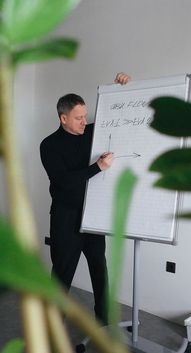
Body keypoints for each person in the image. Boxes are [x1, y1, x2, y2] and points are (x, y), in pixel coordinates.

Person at [40, 72, 131, 325]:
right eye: (79, 118)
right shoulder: (48, 145)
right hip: (65, 218)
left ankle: (104, 320)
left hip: (92, 216)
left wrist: (120, 88)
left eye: (85, 116)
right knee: (61, 274)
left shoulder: (91, 132)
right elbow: (63, 182)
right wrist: (96, 168)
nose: (84, 121)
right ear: (63, 118)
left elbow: (116, 116)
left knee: (100, 272)